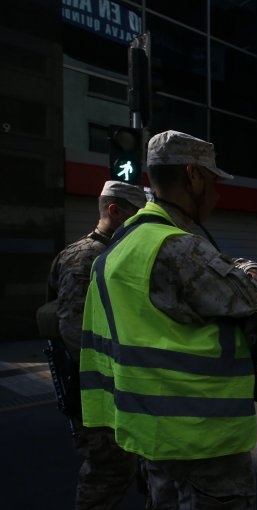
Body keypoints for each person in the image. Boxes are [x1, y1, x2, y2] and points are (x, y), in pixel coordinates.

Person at [79, 130, 257, 509]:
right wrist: (255, 271)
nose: (217, 193)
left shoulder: (119, 249)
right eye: (211, 180)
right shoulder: (179, 248)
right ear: (192, 175)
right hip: (203, 439)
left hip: (152, 435)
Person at [46, 180, 147, 509]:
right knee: (109, 470)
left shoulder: (115, 254)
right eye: (136, 215)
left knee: (140, 465)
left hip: (117, 388)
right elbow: (75, 331)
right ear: (115, 211)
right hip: (98, 392)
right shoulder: (86, 258)